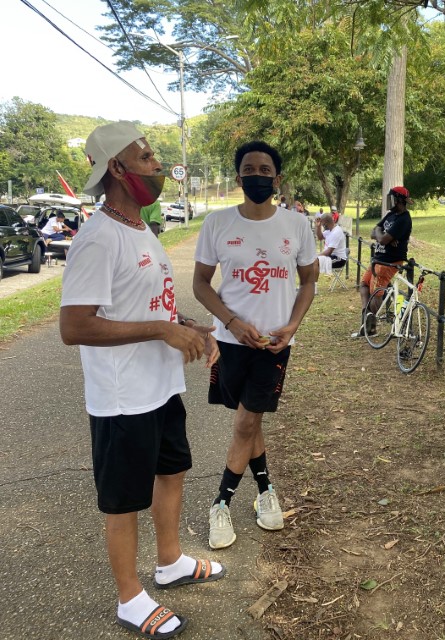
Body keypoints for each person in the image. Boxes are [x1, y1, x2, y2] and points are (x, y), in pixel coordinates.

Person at [59, 121, 223, 638]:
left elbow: (148, 303)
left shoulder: (141, 228)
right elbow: (74, 326)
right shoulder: (97, 238)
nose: (157, 164)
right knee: (124, 498)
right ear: (117, 168)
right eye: (147, 155)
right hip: (122, 397)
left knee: (171, 472)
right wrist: (159, 329)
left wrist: (184, 327)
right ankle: (130, 596)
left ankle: (170, 561)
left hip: (161, 386)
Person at [193, 141, 318, 550]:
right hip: (230, 343)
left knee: (246, 421)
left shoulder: (297, 226)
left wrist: (293, 325)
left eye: (266, 169)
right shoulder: (217, 223)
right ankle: (264, 490)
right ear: (238, 177)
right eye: (250, 168)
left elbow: (309, 282)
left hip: (274, 345)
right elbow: (200, 283)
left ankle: (221, 503)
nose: (258, 175)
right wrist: (230, 322)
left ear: (277, 178)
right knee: (252, 418)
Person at [352, 186, 413, 337]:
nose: (388, 201)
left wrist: (383, 236)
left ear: (398, 200)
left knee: (376, 293)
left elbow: (383, 239)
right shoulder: (391, 214)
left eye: (390, 197)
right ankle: (367, 317)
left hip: (389, 262)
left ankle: (371, 328)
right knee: (364, 285)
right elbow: (375, 231)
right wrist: (383, 235)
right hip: (377, 260)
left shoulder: (404, 219)